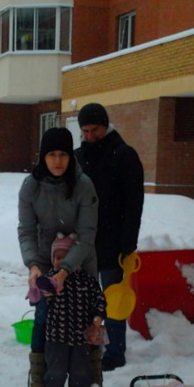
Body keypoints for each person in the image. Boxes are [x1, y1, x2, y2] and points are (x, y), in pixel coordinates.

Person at [17, 127, 99, 387]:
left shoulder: (83, 185)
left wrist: (65, 271)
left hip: (81, 262)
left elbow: (87, 235)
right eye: (51, 154)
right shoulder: (31, 186)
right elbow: (26, 231)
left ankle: (90, 376)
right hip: (44, 264)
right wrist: (34, 266)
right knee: (43, 320)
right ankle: (40, 383)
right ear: (43, 156)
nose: (58, 160)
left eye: (63, 154)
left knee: (86, 319)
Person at [74, 103, 144, 371]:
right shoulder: (78, 156)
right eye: (85, 131)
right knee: (84, 297)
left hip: (115, 242)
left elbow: (133, 204)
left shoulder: (124, 155)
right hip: (84, 241)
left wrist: (128, 244)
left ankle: (115, 351)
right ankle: (88, 344)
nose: (90, 135)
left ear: (106, 125)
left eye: (95, 130)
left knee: (112, 298)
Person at [43, 233, 107, 387]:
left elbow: (99, 299)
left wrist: (98, 315)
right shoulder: (51, 281)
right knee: (56, 366)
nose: (61, 262)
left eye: (66, 258)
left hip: (81, 334)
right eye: (57, 257)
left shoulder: (87, 281)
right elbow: (41, 294)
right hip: (57, 334)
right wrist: (42, 290)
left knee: (80, 367)